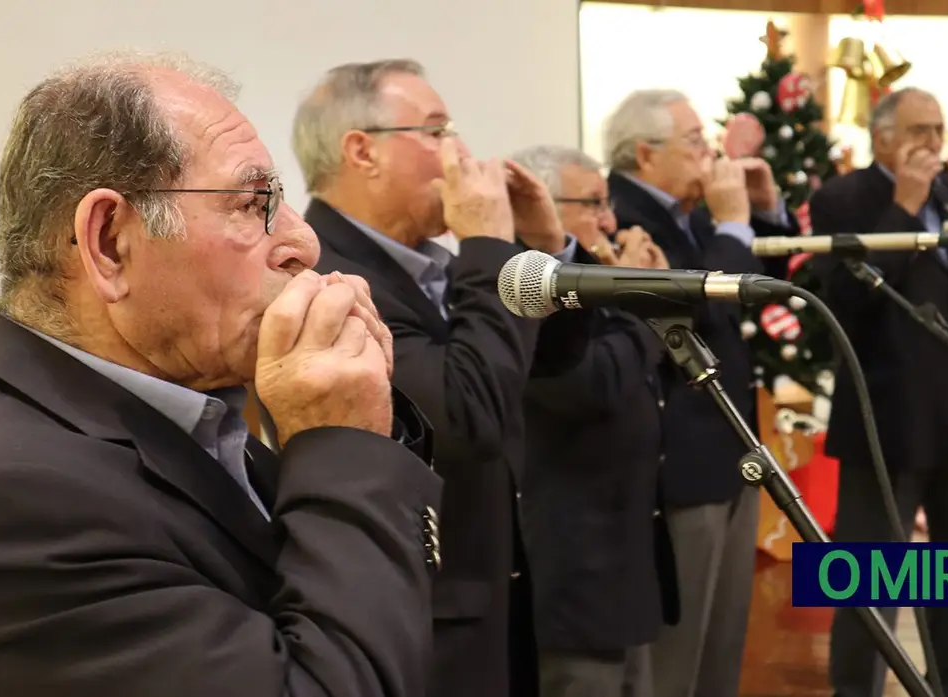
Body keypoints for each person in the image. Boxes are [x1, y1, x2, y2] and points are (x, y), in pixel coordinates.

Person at [0, 53, 442, 697]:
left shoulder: (182, 404)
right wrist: (341, 444)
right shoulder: (12, 503)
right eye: (253, 203)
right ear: (110, 243)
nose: (304, 243)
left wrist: (355, 428)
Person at [290, 59, 589, 697]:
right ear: (362, 150)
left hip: (489, 592)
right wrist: (487, 245)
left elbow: (558, 361)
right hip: (425, 622)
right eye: (435, 131)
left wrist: (537, 249)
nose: (460, 153)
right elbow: (466, 416)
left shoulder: (429, 265)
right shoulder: (329, 274)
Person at [808, 87, 948, 697]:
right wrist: (903, 208)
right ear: (882, 138)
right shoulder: (842, 199)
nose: (933, 143)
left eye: (938, 129)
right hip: (889, 421)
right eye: (918, 131)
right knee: (870, 582)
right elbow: (848, 300)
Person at [601, 89, 796, 697]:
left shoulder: (695, 210)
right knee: (677, 660)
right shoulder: (621, 211)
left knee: (724, 641)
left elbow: (755, 287)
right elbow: (691, 307)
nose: (708, 152)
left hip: (729, 449)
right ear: (644, 153)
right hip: (678, 461)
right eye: (693, 141)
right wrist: (735, 223)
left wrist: (761, 213)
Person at [509, 144, 679, 697]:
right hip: (571, 566)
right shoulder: (522, 285)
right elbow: (589, 383)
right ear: (538, 206)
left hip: (625, 555)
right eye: (593, 203)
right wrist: (643, 293)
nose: (609, 219)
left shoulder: (588, 274)